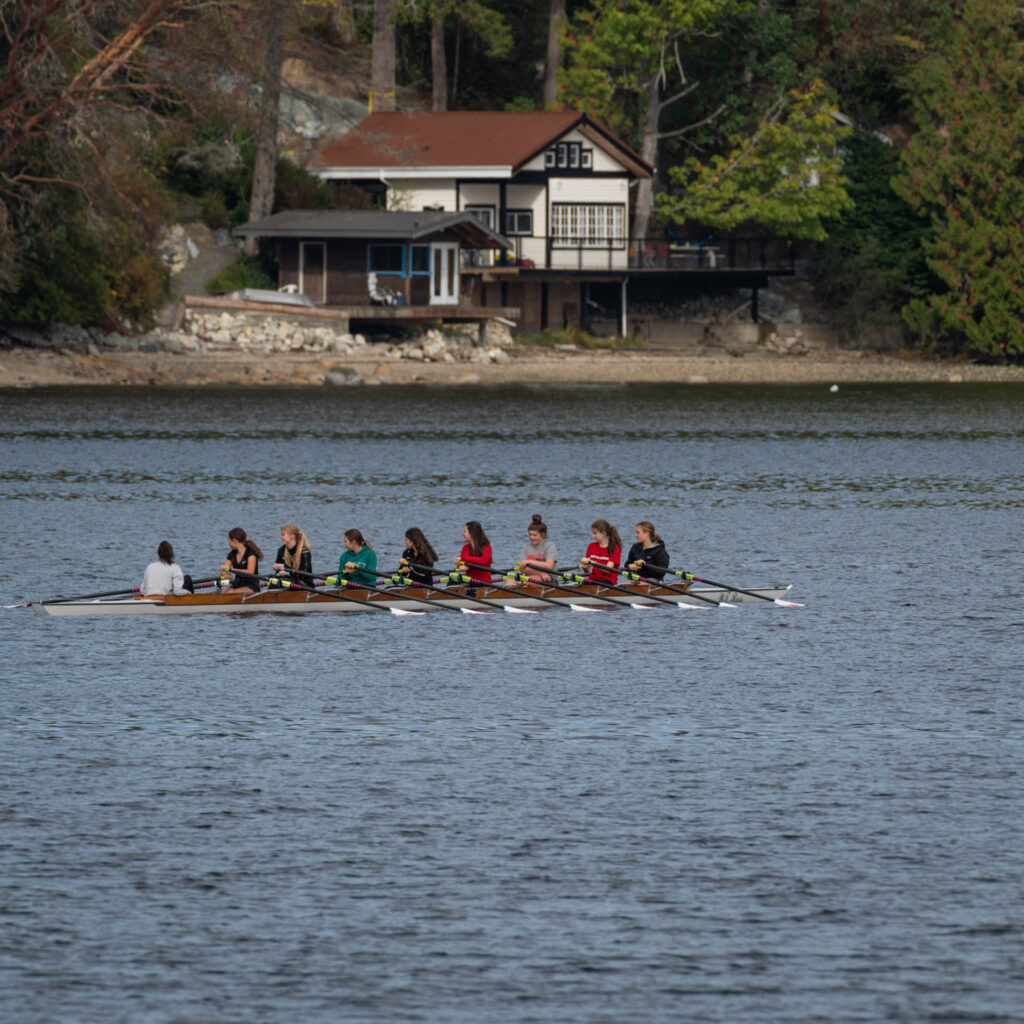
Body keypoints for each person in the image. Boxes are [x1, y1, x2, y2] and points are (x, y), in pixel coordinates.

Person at [219, 528, 263, 595]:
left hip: (251, 585)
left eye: (229, 540)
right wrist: (224, 573)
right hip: (237, 584)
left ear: (234, 541)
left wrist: (232, 570)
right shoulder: (232, 554)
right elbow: (224, 568)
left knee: (230, 592)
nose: (228, 543)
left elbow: (250, 572)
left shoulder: (250, 553)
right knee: (222, 593)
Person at [518, 513, 557, 581]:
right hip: (529, 577)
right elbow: (522, 569)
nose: (531, 537)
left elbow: (549, 566)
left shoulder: (550, 546)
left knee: (531, 580)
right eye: (530, 534)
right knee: (509, 580)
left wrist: (529, 562)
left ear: (542, 534)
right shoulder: (526, 547)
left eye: (534, 535)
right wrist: (540, 573)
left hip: (549, 579)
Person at [581, 519, 622, 584]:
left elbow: (608, 569)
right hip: (593, 579)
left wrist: (592, 562)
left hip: (608, 581)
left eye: (595, 533)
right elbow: (587, 570)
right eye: (592, 533)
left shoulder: (615, 548)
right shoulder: (591, 546)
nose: (593, 536)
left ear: (603, 533)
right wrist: (584, 567)